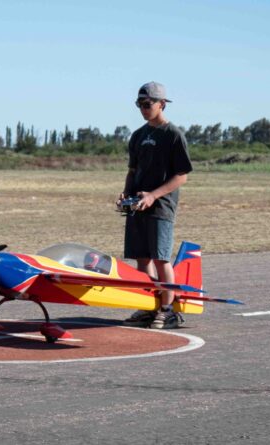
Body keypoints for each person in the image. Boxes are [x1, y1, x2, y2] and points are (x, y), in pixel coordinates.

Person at [118, 82, 193, 329]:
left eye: (147, 104)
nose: (143, 108)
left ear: (162, 104)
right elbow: (132, 170)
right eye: (139, 104)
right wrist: (127, 195)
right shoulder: (138, 135)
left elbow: (182, 175)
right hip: (138, 206)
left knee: (161, 258)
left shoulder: (173, 135)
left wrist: (153, 195)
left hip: (161, 207)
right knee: (141, 258)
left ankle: (168, 309)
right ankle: (149, 306)